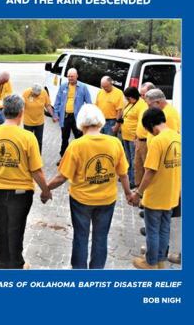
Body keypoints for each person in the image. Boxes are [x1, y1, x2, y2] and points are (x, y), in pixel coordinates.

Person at [47, 104, 132, 269]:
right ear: (100, 122)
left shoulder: (77, 145)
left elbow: (62, 176)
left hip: (81, 200)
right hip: (107, 199)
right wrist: (128, 193)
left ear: (81, 123)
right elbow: (123, 174)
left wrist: (46, 189)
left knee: (81, 236)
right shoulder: (114, 143)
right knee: (101, 237)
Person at [0, 95, 52, 269]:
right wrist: (46, 191)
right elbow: (36, 170)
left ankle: (3, 263)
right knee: (16, 229)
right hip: (21, 193)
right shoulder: (27, 137)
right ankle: (16, 266)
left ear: (3, 112)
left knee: (0, 228)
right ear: (21, 112)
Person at [129, 108, 181, 269]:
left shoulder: (158, 141)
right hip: (171, 193)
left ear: (151, 125)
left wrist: (138, 193)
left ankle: (150, 262)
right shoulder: (177, 137)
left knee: (152, 230)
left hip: (156, 194)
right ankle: (160, 261)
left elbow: (150, 171)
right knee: (164, 229)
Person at [53, 68, 91, 165]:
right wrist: (55, 114)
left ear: (77, 76)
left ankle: (80, 159)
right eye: (68, 76)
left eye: (72, 76)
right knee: (64, 138)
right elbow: (57, 101)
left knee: (79, 139)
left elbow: (89, 103)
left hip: (77, 118)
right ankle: (63, 158)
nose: (70, 78)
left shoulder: (83, 87)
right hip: (65, 117)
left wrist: (87, 117)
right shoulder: (63, 86)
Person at [120, 87, 146, 189]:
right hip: (125, 135)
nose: (127, 99)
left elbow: (141, 123)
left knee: (134, 160)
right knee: (128, 158)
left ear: (133, 96)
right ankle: (127, 176)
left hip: (133, 137)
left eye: (128, 98)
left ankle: (132, 180)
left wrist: (137, 137)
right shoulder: (130, 103)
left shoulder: (141, 106)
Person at [134, 82, 155, 188]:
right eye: (140, 94)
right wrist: (136, 137)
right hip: (139, 141)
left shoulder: (154, 108)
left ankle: (145, 193)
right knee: (137, 167)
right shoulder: (143, 104)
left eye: (143, 95)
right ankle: (138, 192)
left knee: (147, 169)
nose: (141, 97)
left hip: (147, 142)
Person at [23, 83, 53, 153]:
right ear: (32, 91)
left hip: (39, 122)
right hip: (28, 122)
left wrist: (53, 115)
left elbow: (48, 105)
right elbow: (21, 105)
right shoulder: (26, 93)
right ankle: (27, 156)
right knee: (28, 141)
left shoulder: (44, 93)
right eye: (34, 94)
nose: (36, 96)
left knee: (38, 141)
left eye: (37, 95)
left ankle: (38, 157)